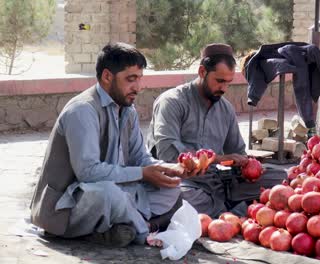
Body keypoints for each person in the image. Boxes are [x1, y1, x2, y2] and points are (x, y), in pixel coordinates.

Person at [30, 42, 192, 247]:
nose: (138, 87)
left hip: (117, 190)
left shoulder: (127, 109)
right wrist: (143, 173)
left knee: (171, 188)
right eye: (131, 79)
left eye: (140, 79)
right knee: (108, 194)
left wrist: (167, 169)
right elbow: (88, 172)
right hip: (67, 206)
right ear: (107, 77)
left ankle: (117, 226)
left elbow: (139, 158)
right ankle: (142, 231)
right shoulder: (82, 111)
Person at [146, 43, 286, 218]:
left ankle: (225, 209)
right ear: (202, 72)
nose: (224, 89)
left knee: (281, 178)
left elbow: (236, 151)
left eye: (228, 82)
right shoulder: (172, 102)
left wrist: (247, 166)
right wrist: (218, 159)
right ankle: (233, 210)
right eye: (219, 81)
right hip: (185, 181)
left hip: (220, 181)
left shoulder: (225, 108)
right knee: (180, 198)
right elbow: (167, 154)